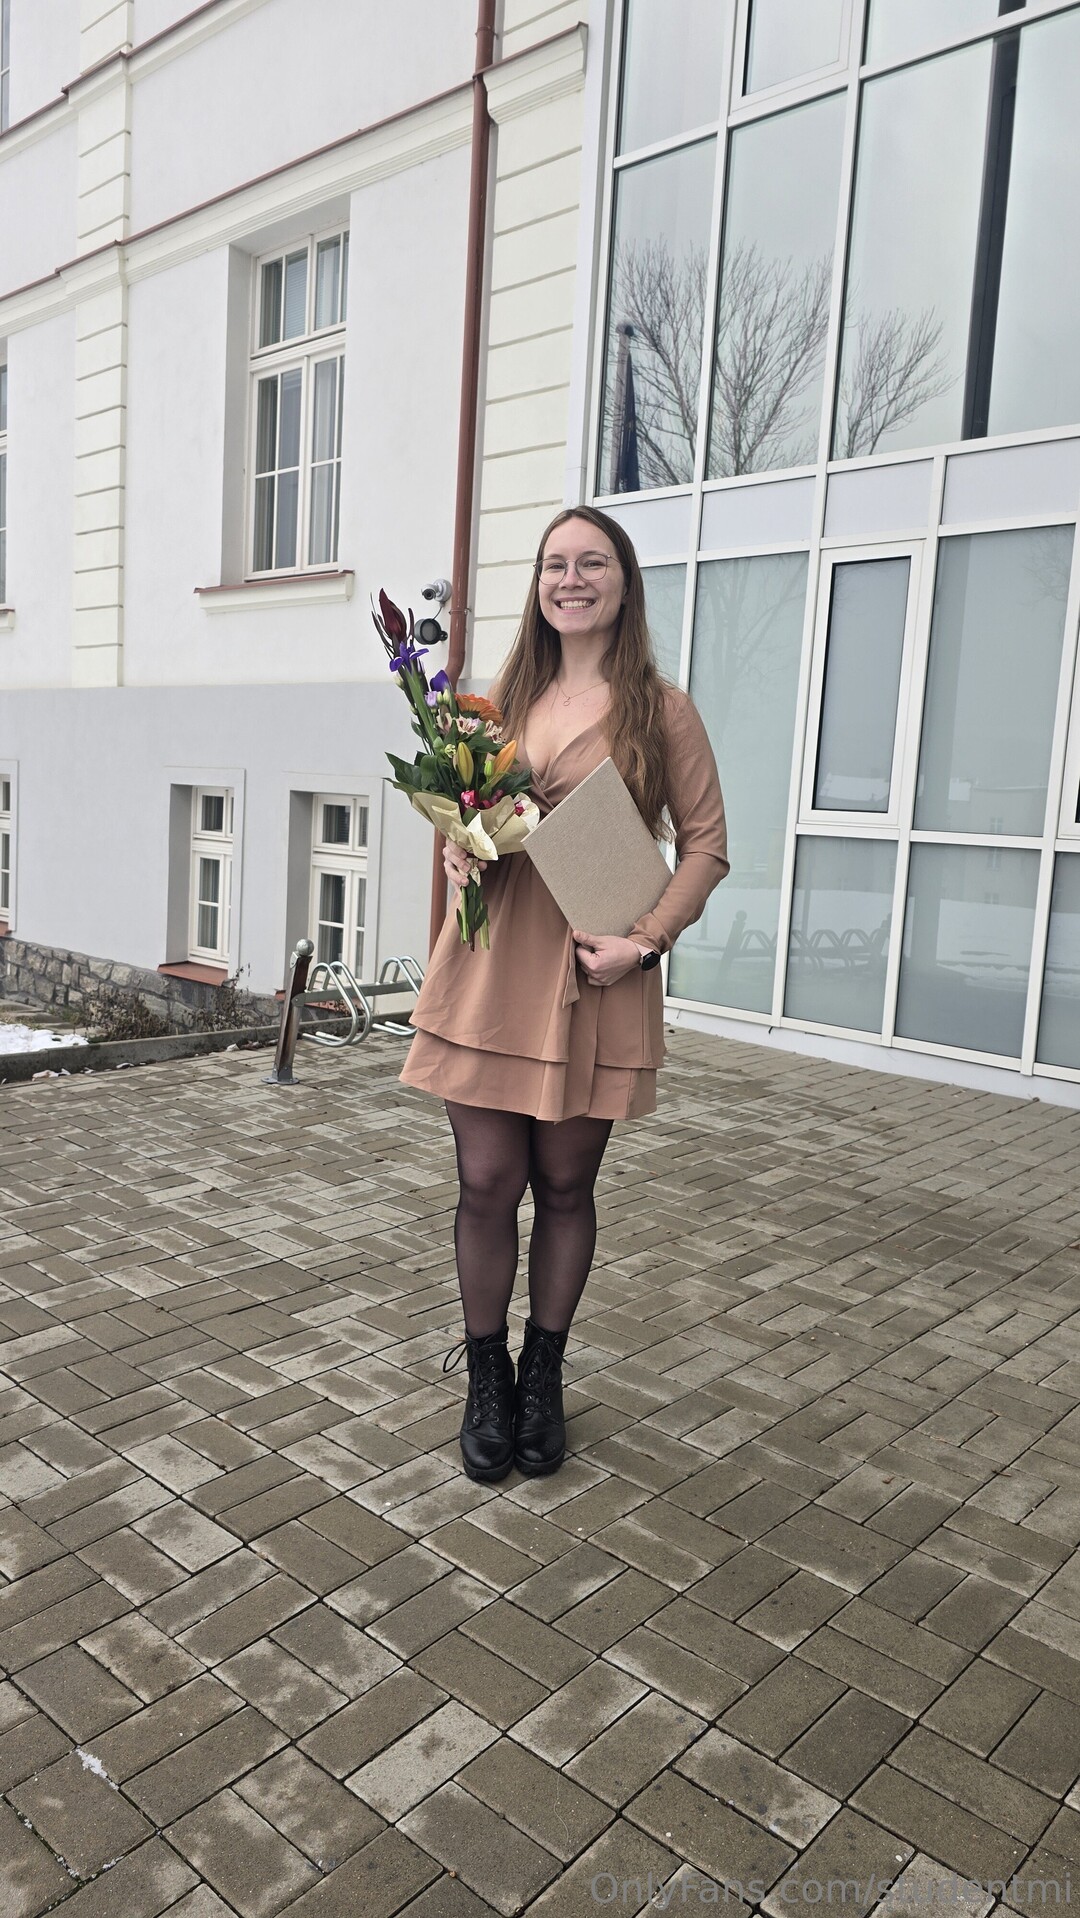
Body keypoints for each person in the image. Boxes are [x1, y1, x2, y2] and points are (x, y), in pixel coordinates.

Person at [400, 505, 729, 1483]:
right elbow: (459, 817)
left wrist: (645, 942)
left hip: (595, 971)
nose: (571, 579)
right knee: (486, 1182)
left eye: (592, 563)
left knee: (566, 1187)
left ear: (624, 584)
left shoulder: (662, 710)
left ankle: (543, 1377)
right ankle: (487, 1379)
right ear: (538, 585)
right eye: (555, 564)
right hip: (493, 965)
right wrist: (456, 852)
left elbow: (707, 846)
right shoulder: (493, 700)